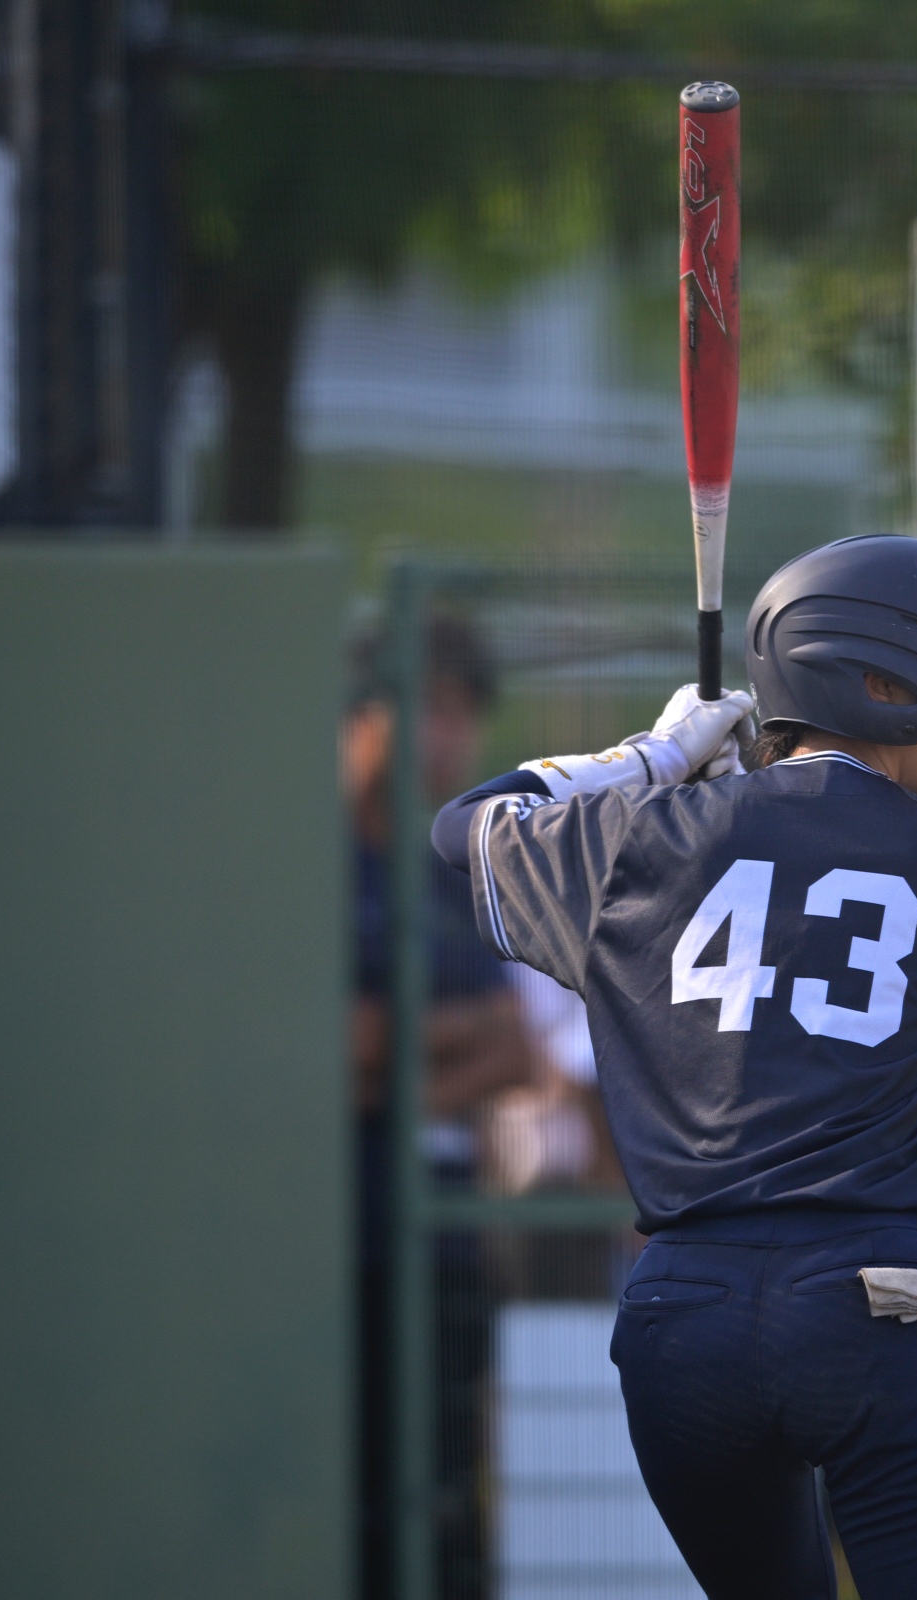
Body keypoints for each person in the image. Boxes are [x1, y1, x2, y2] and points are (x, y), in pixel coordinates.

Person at [430, 535, 917, 1600]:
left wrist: (656, 765)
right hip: (875, 1301)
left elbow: (465, 829)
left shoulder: (638, 842)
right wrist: (740, 822)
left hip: (681, 1315)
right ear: (879, 681)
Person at [344, 616, 540, 1600]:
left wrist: (391, 1077)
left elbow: (520, 1047)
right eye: (431, 707)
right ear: (364, 714)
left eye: (466, 714)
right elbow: (332, 1048)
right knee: (352, 1510)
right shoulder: (310, 861)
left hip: (448, 1247)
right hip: (336, 1249)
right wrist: (453, 1036)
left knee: (447, 1512)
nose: (451, 737)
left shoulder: (454, 870)